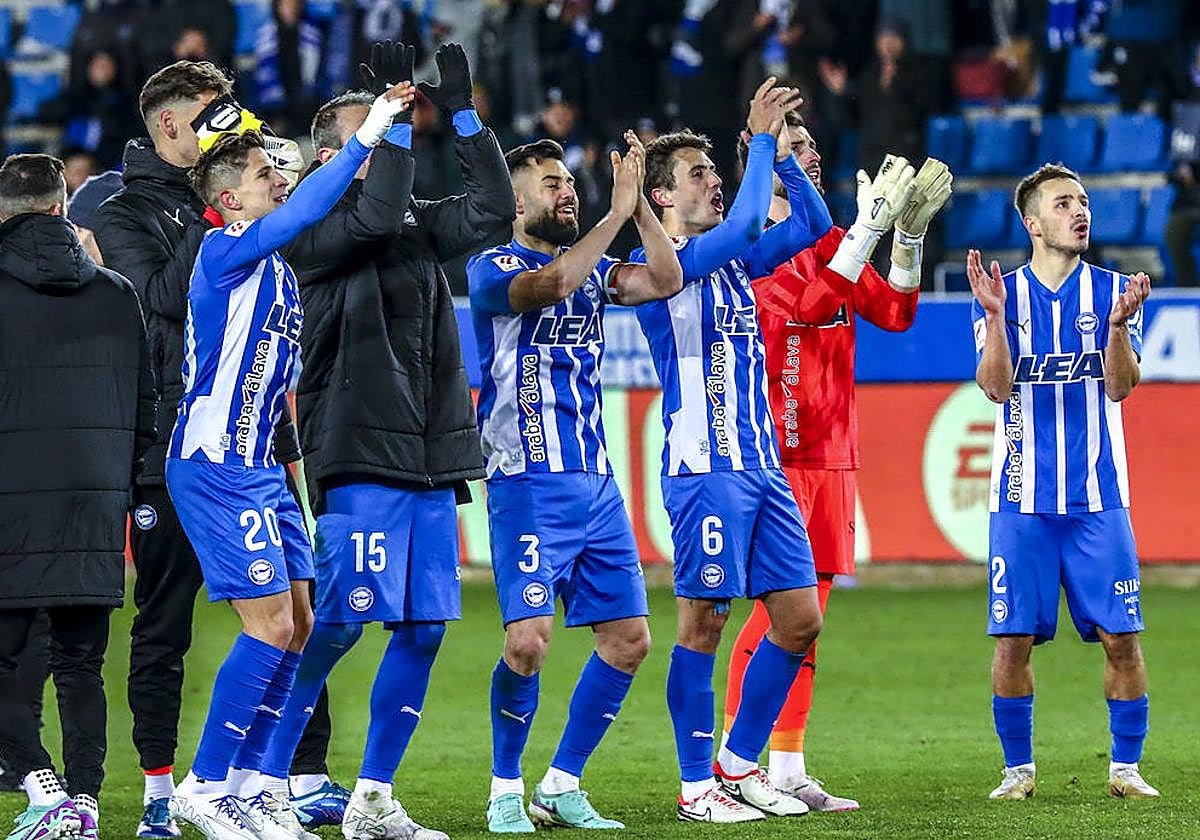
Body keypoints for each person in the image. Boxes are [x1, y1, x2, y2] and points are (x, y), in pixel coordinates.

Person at [257, 42, 515, 840]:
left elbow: (495, 211)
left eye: (397, 119)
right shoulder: (305, 226)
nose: (396, 128)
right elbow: (369, 217)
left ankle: (372, 798)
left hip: (432, 453)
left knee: (425, 629)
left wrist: (464, 115)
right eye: (376, 122)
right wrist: (394, 126)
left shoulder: (409, 222)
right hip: (357, 446)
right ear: (335, 153)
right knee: (336, 624)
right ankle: (262, 786)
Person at [163, 81, 415, 840]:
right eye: (265, 176)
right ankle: (202, 788)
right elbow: (307, 209)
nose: (283, 178)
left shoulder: (274, 265)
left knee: (301, 624)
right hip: (215, 464)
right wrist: (370, 131)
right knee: (270, 627)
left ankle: (250, 785)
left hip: (265, 468)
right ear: (231, 201)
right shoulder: (223, 250)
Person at [722, 112, 951, 812]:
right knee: (773, 620)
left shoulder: (829, 238)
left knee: (807, 620)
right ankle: (733, 765)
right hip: (778, 453)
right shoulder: (754, 246)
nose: (812, 154)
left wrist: (903, 237)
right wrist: (864, 232)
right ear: (760, 163)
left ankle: (787, 765)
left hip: (833, 454)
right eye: (795, 147)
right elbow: (804, 308)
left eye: (813, 143)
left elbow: (895, 311)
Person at [467, 133, 681, 832]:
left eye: (570, 181)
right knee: (528, 641)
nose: (567, 191)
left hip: (595, 481)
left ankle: (561, 783)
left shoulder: (595, 266)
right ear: (516, 199)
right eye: (552, 183)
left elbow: (666, 280)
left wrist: (639, 206)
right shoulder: (492, 266)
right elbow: (552, 285)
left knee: (629, 639)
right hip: (526, 481)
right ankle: (505, 786)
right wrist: (613, 217)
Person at [633, 78, 830, 823]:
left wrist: (775, 159)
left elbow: (810, 222)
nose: (713, 183)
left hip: (760, 468)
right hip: (704, 468)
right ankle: (694, 788)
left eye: (717, 172)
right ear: (660, 199)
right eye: (697, 175)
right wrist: (759, 139)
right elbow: (749, 221)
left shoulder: (735, 265)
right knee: (704, 623)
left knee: (800, 618)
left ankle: (741, 765)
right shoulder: (666, 265)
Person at [968, 163, 1157, 801]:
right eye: (1064, 204)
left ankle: (1126, 770)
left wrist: (1117, 327)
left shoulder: (1113, 293)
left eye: (1083, 202)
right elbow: (995, 387)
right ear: (1032, 223)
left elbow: (1121, 387)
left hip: (1098, 500)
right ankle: (1017, 770)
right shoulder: (1002, 294)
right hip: (1020, 502)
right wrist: (994, 318)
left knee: (1122, 637)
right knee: (1012, 637)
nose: (1081, 212)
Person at [0, 153, 156, 840]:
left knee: (6, 662)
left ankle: (42, 785)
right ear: (64, 209)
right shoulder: (118, 294)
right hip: (94, 507)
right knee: (81, 664)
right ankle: (84, 804)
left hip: (10, 507)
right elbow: (148, 411)